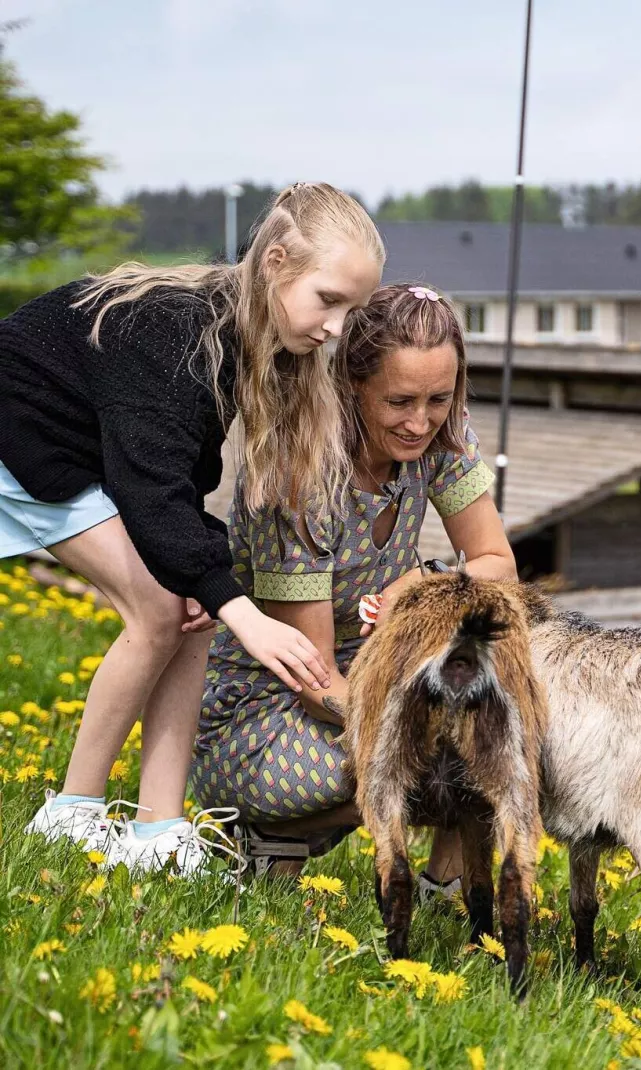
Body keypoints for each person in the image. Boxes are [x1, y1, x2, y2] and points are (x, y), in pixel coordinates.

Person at [6, 182, 383, 876]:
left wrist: (210, 592)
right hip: (19, 439)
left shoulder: (241, 336)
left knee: (189, 607)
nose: (336, 326)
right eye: (329, 299)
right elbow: (153, 492)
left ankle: (159, 830)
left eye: (351, 310)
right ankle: (70, 814)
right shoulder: (177, 332)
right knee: (158, 608)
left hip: (85, 455)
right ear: (275, 262)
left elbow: (180, 476)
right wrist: (249, 616)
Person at [191, 282, 512, 882]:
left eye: (438, 399)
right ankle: (270, 828)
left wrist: (424, 579)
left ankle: (444, 887)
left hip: (373, 676)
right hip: (269, 704)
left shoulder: (441, 438)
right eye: (399, 401)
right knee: (441, 756)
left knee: (499, 721)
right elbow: (314, 676)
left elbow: (496, 561)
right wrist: (427, 723)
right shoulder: (301, 474)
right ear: (352, 385)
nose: (420, 422)